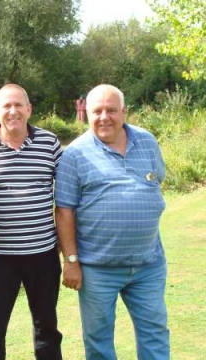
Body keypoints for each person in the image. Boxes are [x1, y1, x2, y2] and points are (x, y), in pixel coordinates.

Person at [55, 84, 170, 360]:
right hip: (98, 269)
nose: (104, 117)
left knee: (155, 333)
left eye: (111, 110)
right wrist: (71, 261)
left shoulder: (147, 142)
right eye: (97, 111)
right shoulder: (74, 154)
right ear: (87, 114)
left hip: (148, 265)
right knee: (99, 342)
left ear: (124, 112)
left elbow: (157, 181)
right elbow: (64, 211)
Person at [0, 83, 63, 360]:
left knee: (47, 327)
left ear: (29, 109)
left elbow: (69, 195)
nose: (13, 111)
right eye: (6, 106)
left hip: (43, 254)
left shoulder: (49, 143)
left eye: (19, 105)